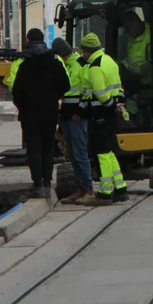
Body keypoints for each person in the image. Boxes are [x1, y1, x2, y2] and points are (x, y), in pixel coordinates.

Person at [11, 29, 70, 199]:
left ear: (28, 40)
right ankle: (47, 179)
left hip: (29, 114)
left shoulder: (24, 64)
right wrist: (53, 96)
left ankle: (37, 180)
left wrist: (23, 105)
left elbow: (17, 90)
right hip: (49, 112)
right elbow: (65, 85)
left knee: (34, 147)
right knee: (47, 146)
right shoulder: (55, 62)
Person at [76, 33, 127, 205]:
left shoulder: (95, 67)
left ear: (87, 51)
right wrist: (118, 105)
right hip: (111, 114)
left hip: (100, 114)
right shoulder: (109, 61)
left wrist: (110, 105)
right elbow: (119, 87)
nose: (83, 55)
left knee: (102, 153)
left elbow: (100, 93)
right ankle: (121, 188)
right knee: (110, 151)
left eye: (83, 51)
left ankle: (105, 192)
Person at [54, 38, 94, 203]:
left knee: (80, 154)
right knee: (72, 154)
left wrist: (81, 111)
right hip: (68, 114)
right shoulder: (69, 65)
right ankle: (80, 188)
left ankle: (87, 188)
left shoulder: (79, 64)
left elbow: (87, 88)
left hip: (76, 115)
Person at [119, 10, 153, 126]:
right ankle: (133, 122)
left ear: (136, 24)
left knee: (134, 95)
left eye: (127, 28)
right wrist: (120, 66)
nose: (126, 32)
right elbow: (130, 59)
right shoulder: (133, 39)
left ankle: (141, 124)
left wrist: (142, 69)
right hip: (138, 81)